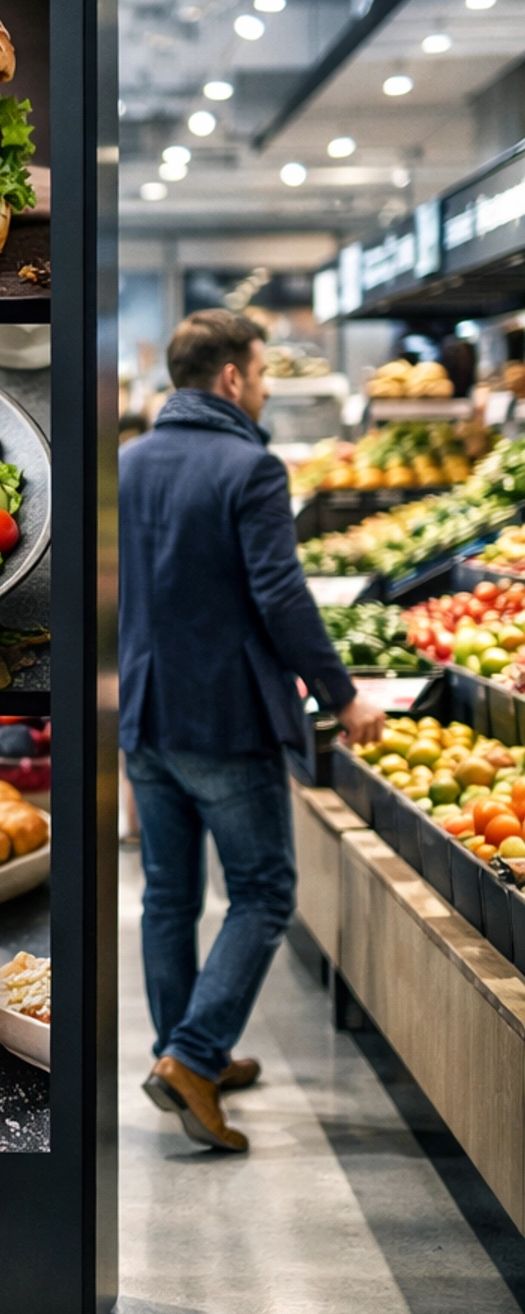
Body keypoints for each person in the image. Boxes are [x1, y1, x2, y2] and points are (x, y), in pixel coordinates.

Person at [119, 310, 384, 1154]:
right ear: (232, 378)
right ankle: (194, 1057)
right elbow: (282, 597)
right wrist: (343, 696)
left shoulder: (124, 464)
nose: (265, 389)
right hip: (224, 719)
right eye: (263, 374)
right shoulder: (251, 466)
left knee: (169, 896)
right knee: (265, 892)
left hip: (144, 711)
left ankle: (185, 1050)